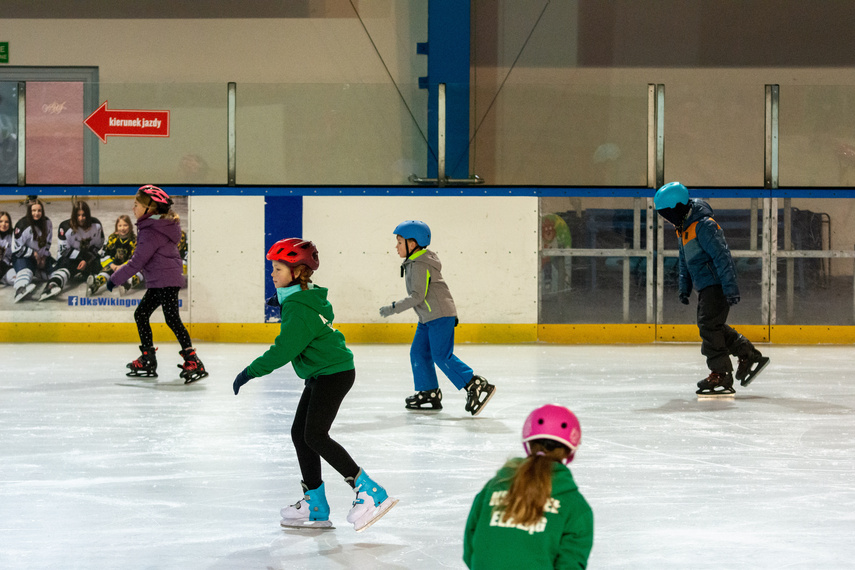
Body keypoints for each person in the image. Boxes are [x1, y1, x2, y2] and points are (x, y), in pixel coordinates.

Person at [232, 238, 397, 532]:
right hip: (323, 373)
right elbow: (299, 308)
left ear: (297, 272)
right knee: (301, 434)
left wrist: (249, 372)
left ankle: (370, 490)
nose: (272, 273)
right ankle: (316, 503)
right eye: (273, 267)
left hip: (333, 373)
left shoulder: (298, 308)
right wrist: (284, 300)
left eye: (278, 268)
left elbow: (283, 350)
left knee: (316, 435)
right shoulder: (302, 297)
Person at [654, 182, 770, 397]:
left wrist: (730, 287)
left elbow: (722, 256)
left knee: (708, 326)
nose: (666, 219)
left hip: (716, 284)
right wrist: (684, 287)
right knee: (712, 325)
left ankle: (721, 373)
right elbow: (685, 262)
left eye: (667, 214)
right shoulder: (684, 229)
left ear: (677, 208)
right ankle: (747, 353)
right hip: (704, 286)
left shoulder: (704, 226)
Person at [378, 220, 496, 415]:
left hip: (439, 316)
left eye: (399, 242)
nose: (396, 247)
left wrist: (393, 308)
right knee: (418, 352)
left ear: (412, 244)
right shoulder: (415, 261)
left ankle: (474, 383)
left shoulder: (420, 264)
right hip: (427, 317)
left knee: (441, 355)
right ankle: (429, 392)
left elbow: (417, 296)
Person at [464, 404, 594, 569]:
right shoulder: (576, 507)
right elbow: (570, 565)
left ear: (529, 443)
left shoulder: (493, 487)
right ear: (570, 450)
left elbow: (471, 551)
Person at [112, 185, 207, 383]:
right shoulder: (156, 225)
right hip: (161, 280)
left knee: (171, 318)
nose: (133, 208)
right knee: (142, 314)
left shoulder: (151, 231)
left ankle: (192, 360)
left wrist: (114, 279)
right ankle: (148, 358)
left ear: (149, 208)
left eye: (136, 204)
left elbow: (137, 262)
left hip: (165, 280)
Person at [38, 200, 104, 301]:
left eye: (84, 215)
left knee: (102, 262)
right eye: (78, 215)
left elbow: (98, 244)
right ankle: (52, 285)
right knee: (66, 267)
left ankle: (93, 279)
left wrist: (86, 260)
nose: (81, 218)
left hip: (87, 258)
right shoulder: (65, 227)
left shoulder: (96, 225)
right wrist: (83, 259)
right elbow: (65, 251)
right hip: (69, 259)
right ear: (74, 215)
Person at [87, 214, 143, 296]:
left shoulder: (134, 240)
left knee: (139, 270)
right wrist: (112, 265)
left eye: (125, 225)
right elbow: (105, 253)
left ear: (130, 226)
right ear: (116, 227)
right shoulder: (112, 238)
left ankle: (128, 283)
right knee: (107, 270)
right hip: (114, 265)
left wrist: (122, 266)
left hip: (128, 265)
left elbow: (135, 258)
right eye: (120, 225)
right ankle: (96, 283)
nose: (122, 228)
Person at [11, 198, 54, 303]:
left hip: (40, 256)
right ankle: (20, 289)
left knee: (55, 269)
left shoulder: (47, 222)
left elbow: (48, 242)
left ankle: (51, 285)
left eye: (39, 210)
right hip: (22, 256)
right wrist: (33, 254)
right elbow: (16, 249)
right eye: (33, 210)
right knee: (26, 272)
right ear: (29, 211)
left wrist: (44, 256)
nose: (36, 213)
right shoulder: (22, 225)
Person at [0, 211, 15, 286]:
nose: (4, 224)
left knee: (13, 279)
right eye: (1, 221)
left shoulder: (14, 235)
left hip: (7, 266)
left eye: (6, 222)